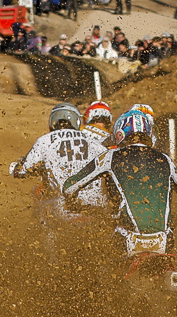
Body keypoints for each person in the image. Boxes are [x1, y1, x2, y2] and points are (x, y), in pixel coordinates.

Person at [59, 107, 177, 259]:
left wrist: (74, 205)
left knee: (101, 261)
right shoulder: (166, 160)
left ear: (119, 133)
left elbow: (69, 188)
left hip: (126, 239)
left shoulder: (110, 157)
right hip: (165, 240)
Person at [11, 102, 110, 237]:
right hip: (97, 207)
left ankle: (46, 248)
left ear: (52, 122)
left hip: (65, 208)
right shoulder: (94, 142)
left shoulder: (45, 141)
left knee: (42, 207)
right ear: (77, 121)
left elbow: (21, 171)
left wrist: (17, 166)